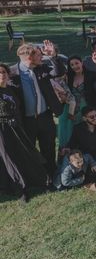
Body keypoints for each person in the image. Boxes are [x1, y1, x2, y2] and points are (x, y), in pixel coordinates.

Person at [11, 43, 63, 180]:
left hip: (45, 117)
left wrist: (53, 56)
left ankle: (51, 176)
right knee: (28, 150)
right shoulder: (12, 74)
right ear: (30, 57)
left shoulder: (42, 68)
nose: (42, 57)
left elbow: (59, 72)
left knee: (49, 148)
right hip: (26, 120)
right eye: (39, 55)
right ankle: (34, 178)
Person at [0, 63, 48, 202]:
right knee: (8, 157)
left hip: (16, 127)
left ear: (8, 75)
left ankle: (37, 180)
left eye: (4, 72)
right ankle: (20, 189)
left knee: (23, 153)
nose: (2, 75)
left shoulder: (11, 90)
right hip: (2, 129)